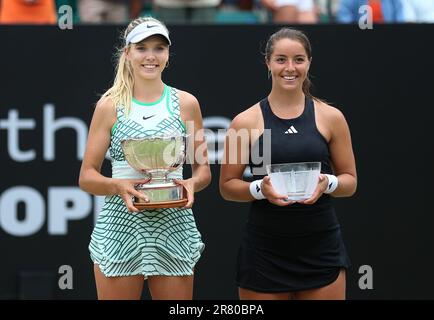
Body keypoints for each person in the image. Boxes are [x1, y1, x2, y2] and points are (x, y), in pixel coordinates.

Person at [79, 16, 211, 300]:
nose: (151, 56)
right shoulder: (109, 106)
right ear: (127, 53)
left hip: (174, 226)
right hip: (120, 226)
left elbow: (203, 171)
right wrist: (119, 187)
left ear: (167, 54)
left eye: (159, 48)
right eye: (142, 48)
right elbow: (87, 176)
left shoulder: (187, 104)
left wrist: (190, 184)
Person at [219, 28, 357, 300]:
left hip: (321, 248)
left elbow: (349, 182)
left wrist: (327, 183)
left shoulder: (331, 117)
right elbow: (227, 186)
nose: (290, 68)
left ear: (309, 63)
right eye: (281, 59)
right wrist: (260, 189)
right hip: (264, 251)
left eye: (298, 59)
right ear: (268, 63)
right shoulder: (245, 121)